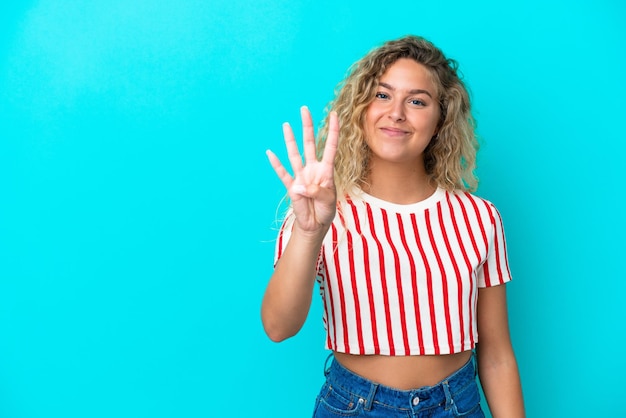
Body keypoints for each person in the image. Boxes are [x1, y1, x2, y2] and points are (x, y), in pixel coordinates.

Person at [261, 35, 524, 417]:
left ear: (440, 120)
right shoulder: (318, 213)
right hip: (355, 406)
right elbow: (277, 327)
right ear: (360, 109)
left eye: (417, 101)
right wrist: (309, 232)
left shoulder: (479, 217)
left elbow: (498, 356)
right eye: (382, 95)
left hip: (457, 405)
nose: (396, 112)